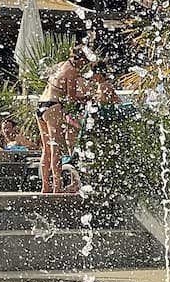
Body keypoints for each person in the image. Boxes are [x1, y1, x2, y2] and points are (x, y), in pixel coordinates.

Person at [36, 42, 115, 194]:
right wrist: (88, 98)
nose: (84, 65)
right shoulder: (71, 70)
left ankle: (45, 186)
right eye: (84, 61)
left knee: (46, 149)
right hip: (53, 106)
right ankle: (57, 186)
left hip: (40, 105)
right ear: (80, 59)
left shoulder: (61, 64)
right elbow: (71, 96)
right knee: (55, 147)